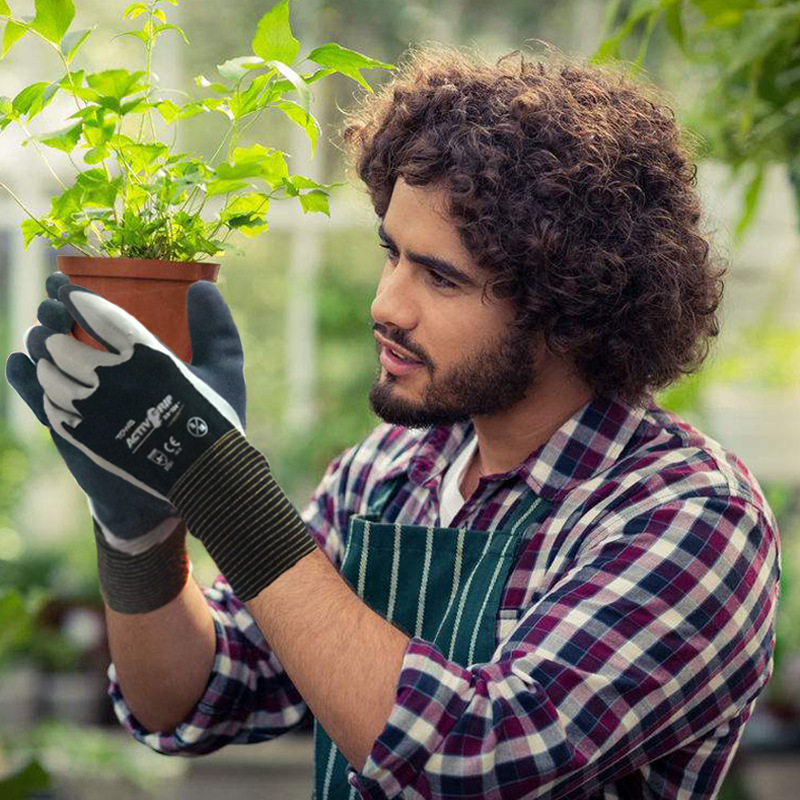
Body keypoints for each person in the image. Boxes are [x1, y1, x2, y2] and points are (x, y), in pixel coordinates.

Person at [6, 46, 781, 800]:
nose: (386, 305)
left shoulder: (691, 516)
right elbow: (195, 694)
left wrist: (219, 481)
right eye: (393, 254)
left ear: (568, 309)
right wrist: (142, 537)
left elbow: (473, 759)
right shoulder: (390, 473)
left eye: (440, 278)